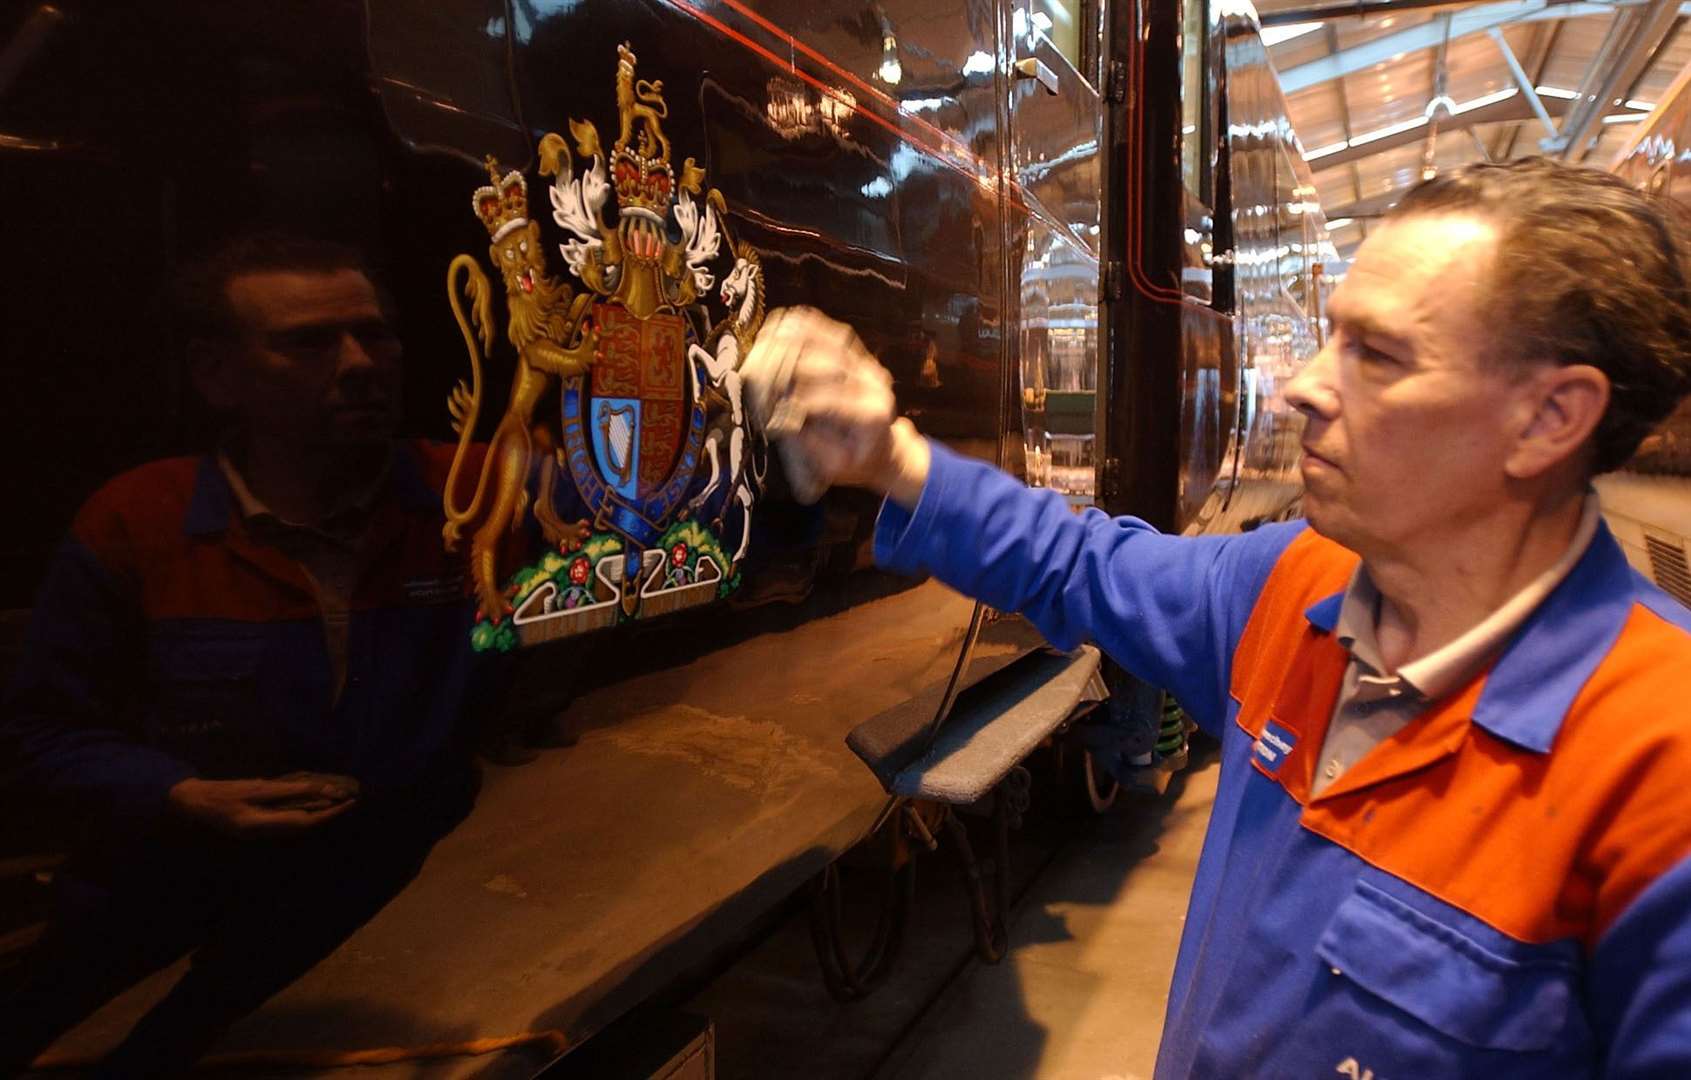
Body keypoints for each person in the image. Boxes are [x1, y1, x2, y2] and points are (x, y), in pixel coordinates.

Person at [752, 158, 1691, 1076]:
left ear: (1549, 419)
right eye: (1330, 337)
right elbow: (1079, 561)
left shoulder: (1659, 765)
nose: (1304, 387)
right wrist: (888, 455)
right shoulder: (1292, 587)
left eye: (1377, 354)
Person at [0, 233, 493, 1074]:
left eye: (375, 334)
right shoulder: (140, 519)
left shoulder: (476, 495)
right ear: (215, 375)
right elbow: (37, 728)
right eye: (308, 342)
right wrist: (179, 793)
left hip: (360, 862)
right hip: (161, 859)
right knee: (42, 1005)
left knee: (187, 1032)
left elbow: (671, 511)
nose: (360, 362)